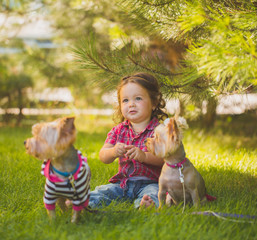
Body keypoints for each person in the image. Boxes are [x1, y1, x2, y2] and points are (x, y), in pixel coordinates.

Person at [89, 72, 168, 209]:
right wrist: (113, 151)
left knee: (154, 193)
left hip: (151, 182)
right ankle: (83, 203)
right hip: (123, 183)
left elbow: (165, 158)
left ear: (154, 103)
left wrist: (144, 156)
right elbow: (103, 156)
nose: (131, 104)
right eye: (125, 100)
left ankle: (146, 204)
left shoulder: (160, 131)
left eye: (138, 98)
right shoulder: (118, 130)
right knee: (103, 191)